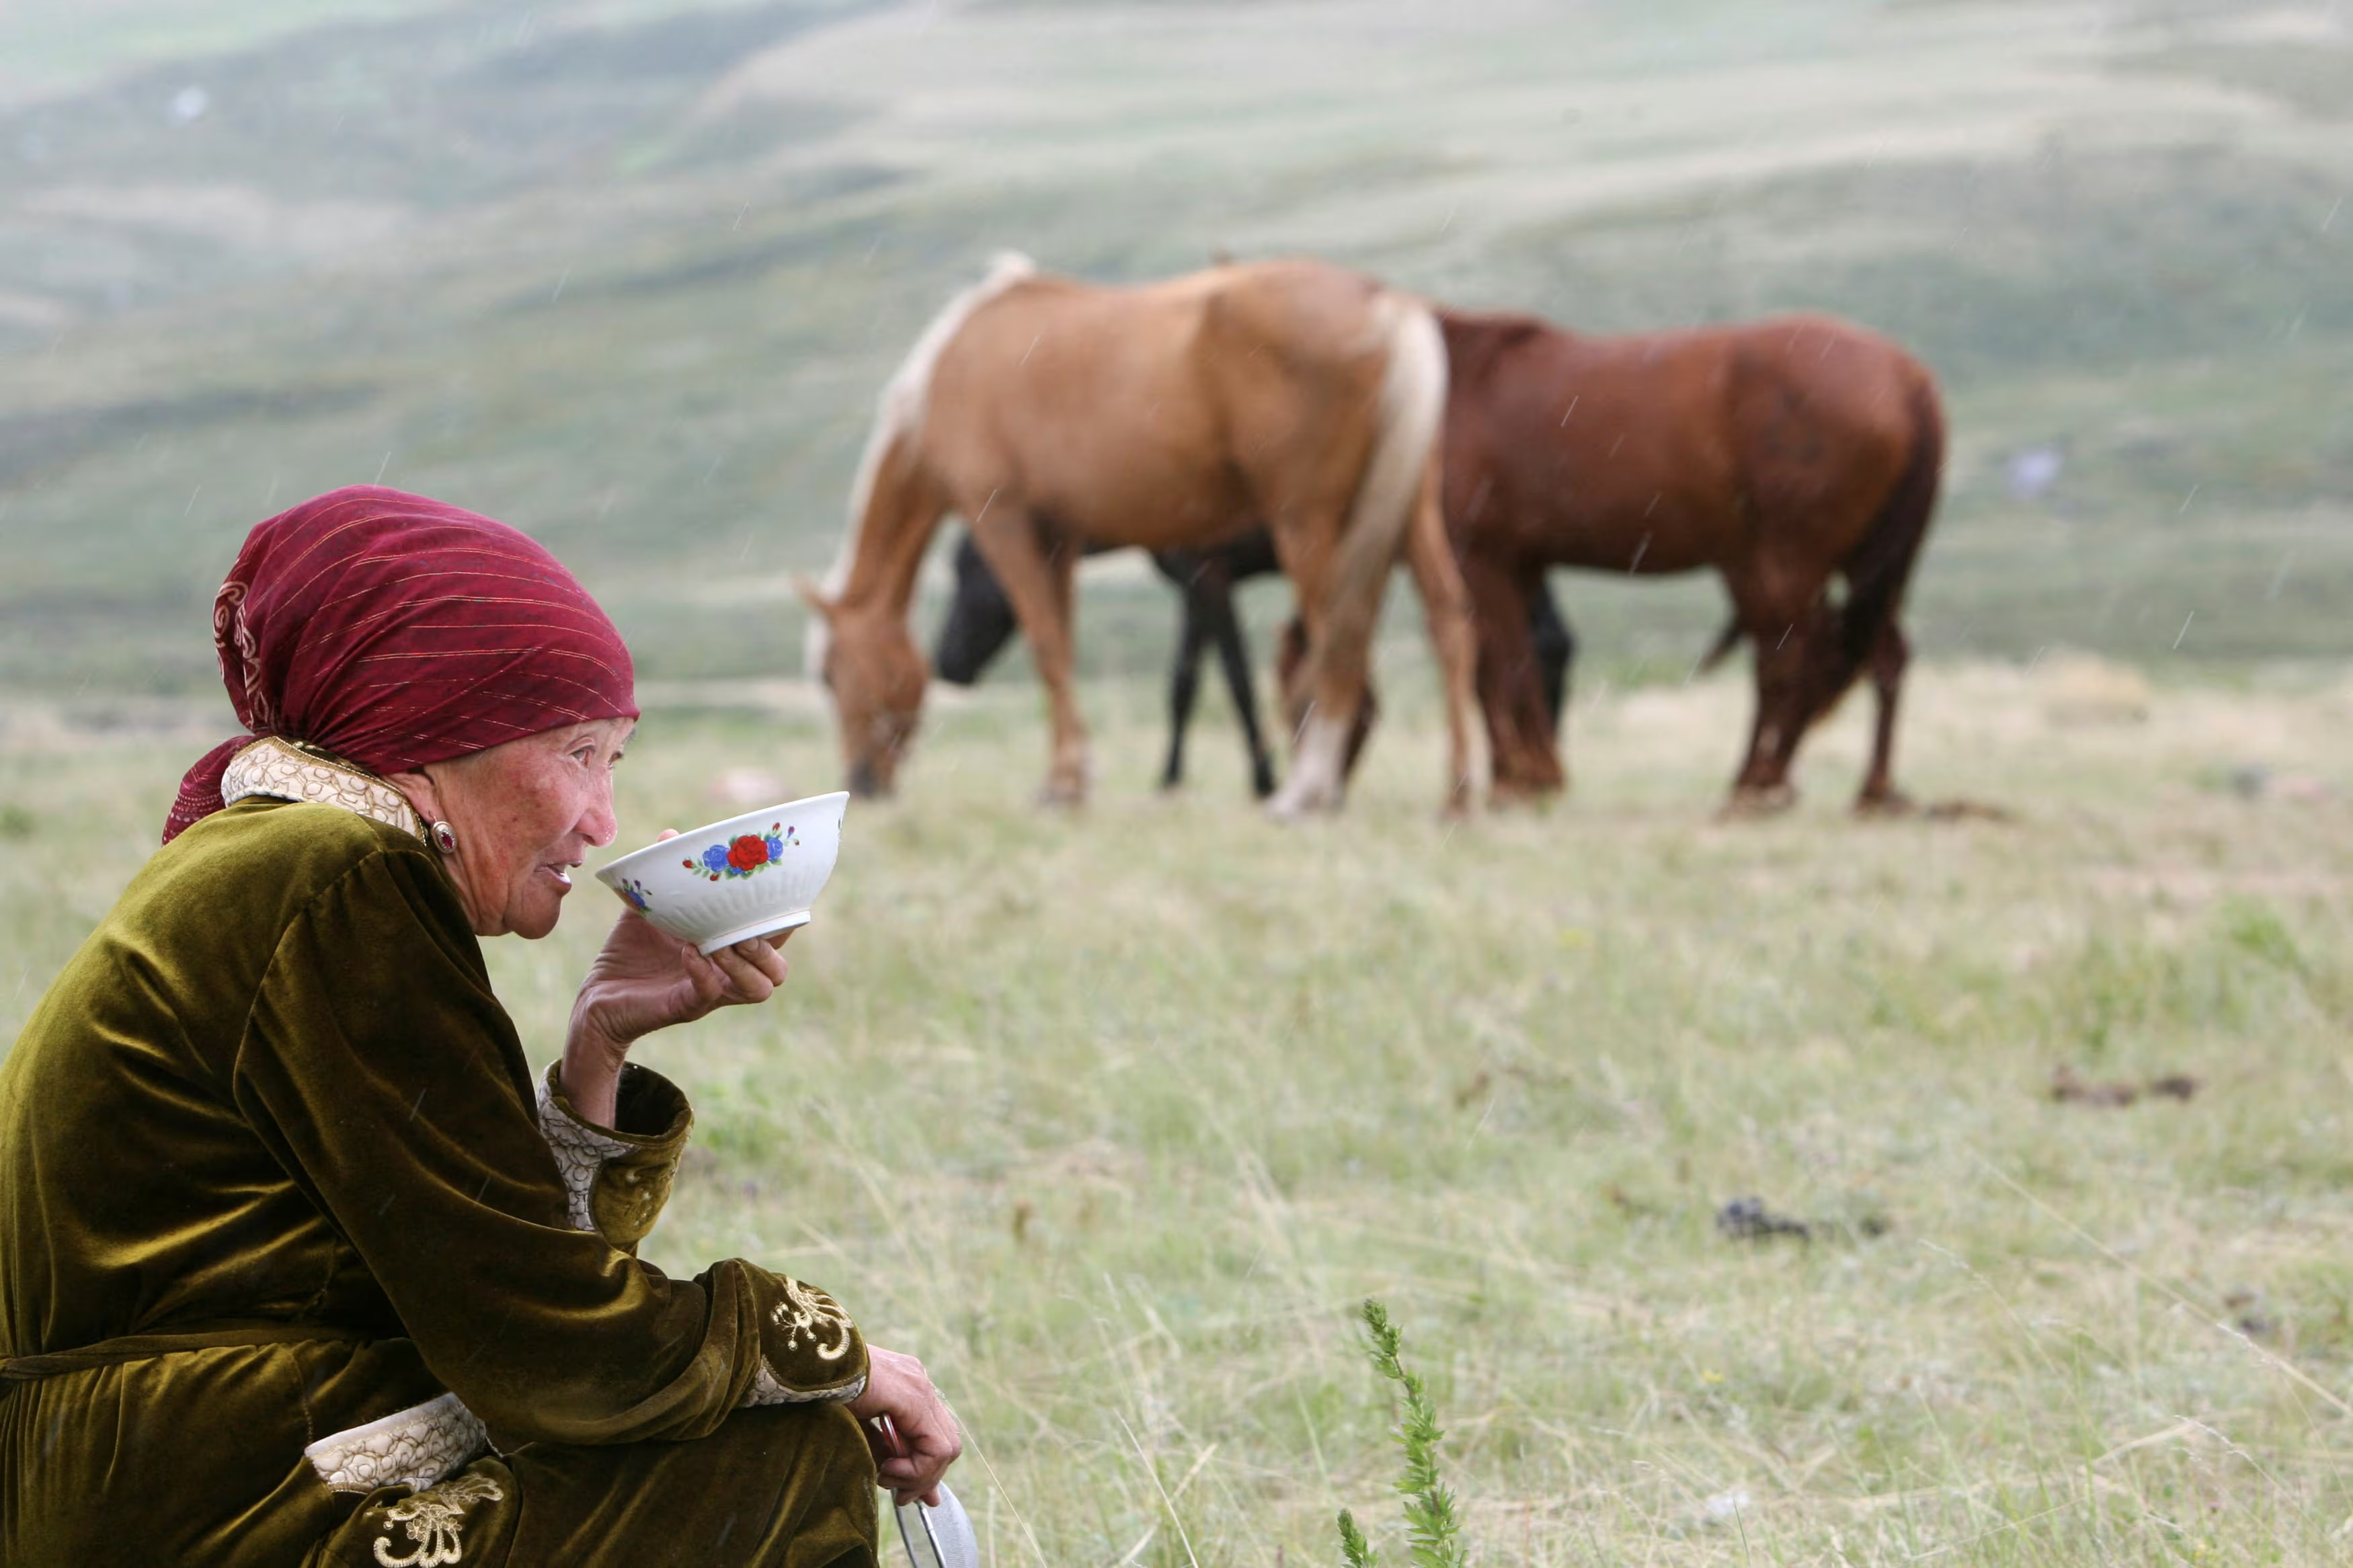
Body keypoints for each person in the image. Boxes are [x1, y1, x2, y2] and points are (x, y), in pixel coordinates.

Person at [0, 486, 959, 1565]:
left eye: (616, 762)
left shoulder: (272, 866)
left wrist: (599, 1037)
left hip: (162, 1493)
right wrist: (827, 1354)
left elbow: (485, 1268)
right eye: (576, 753)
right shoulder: (337, 876)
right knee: (784, 1464)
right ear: (436, 736)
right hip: (218, 1510)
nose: (601, 821)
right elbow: (541, 1344)